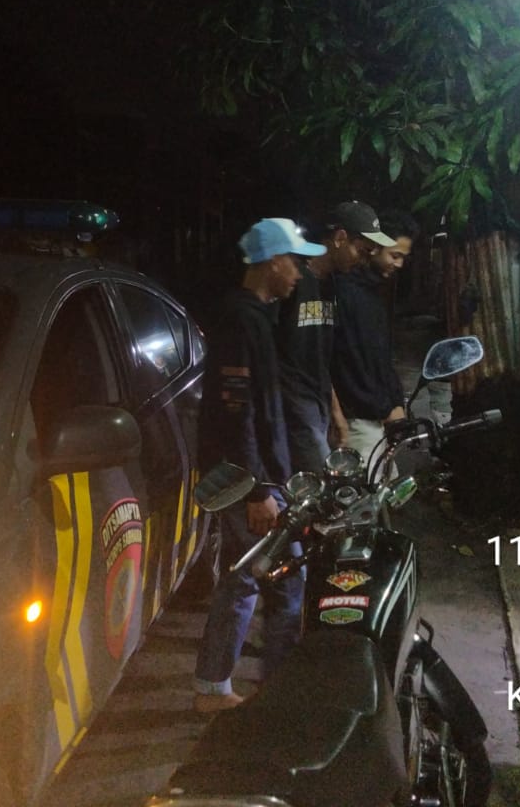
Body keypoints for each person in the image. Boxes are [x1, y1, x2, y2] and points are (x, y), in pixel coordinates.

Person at [193, 218, 326, 714]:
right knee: (283, 580)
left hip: (258, 478)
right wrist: (258, 492)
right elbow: (239, 413)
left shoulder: (255, 317)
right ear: (273, 262)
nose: (299, 273)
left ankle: (213, 686)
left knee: (244, 579)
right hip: (246, 481)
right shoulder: (241, 321)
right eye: (295, 263)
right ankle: (277, 700)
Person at [276, 200, 395, 473]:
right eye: (362, 250)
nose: (364, 259)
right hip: (292, 410)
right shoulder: (293, 281)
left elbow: (321, 358)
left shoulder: (330, 286)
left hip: (317, 408)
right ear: (340, 238)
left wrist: (336, 413)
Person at [332, 208, 419, 473]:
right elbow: (349, 363)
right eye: (395, 255)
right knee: (365, 494)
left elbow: (380, 359)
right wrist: (385, 407)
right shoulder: (344, 291)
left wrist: (396, 404)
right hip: (358, 421)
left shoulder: (373, 293)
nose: (399, 264)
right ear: (375, 248)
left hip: (379, 418)